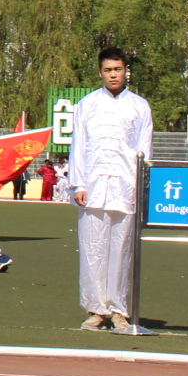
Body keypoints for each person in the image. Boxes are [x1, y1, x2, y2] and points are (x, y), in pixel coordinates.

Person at [70, 46, 152, 332]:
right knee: (92, 249)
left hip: (125, 187)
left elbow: (144, 150)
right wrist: (79, 184)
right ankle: (96, 309)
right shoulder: (87, 104)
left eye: (118, 69)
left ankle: (119, 310)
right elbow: (79, 146)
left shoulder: (139, 106)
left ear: (126, 71)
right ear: (100, 73)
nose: (113, 75)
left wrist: (140, 186)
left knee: (122, 250)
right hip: (92, 187)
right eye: (108, 70)